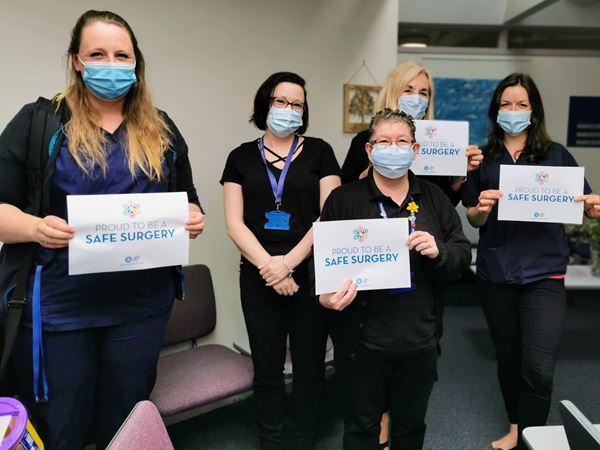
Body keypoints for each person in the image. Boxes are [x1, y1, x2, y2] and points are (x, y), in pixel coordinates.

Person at [0, 10, 204, 449]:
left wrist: (193, 218)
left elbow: (188, 200)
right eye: (97, 54)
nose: (110, 65)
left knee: (126, 422)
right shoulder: (40, 123)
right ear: (77, 60)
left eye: (121, 55)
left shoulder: (162, 129)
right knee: (63, 425)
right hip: (60, 311)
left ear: (136, 63)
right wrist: (36, 228)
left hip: (139, 309)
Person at [342, 60, 482, 449]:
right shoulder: (347, 195)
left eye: (425, 93)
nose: (393, 149)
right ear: (370, 148)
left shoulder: (434, 194)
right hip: (365, 326)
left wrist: (458, 178)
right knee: (361, 424)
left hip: (420, 318)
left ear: (416, 147)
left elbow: (454, 237)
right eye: (383, 143)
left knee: (411, 424)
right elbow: (332, 242)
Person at [462, 73, 600, 450]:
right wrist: (482, 210)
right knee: (508, 357)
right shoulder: (481, 159)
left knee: (538, 365)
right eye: (506, 104)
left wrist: (592, 207)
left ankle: (531, 438)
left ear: (534, 110)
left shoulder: (556, 155)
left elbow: (585, 207)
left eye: (521, 104)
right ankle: (515, 426)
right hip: (497, 273)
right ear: (496, 110)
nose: (514, 110)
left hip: (545, 273)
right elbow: (473, 216)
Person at [221, 72, 342, 449]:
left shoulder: (321, 152)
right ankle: (271, 439)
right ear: (265, 104)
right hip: (258, 275)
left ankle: (303, 438)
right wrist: (271, 268)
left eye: (297, 104)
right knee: (267, 368)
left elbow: (329, 216)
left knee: (309, 367)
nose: (288, 110)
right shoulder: (240, 157)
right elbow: (234, 224)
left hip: (308, 272)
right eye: (280, 101)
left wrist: (288, 263)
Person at [341, 60, 483, 202]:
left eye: (423, 93)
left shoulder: (437, 141)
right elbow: (345, 199)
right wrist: (368, 175)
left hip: (426, 222)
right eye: (408, 90)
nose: (416, 99)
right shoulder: (364, 141)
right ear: (392, 93)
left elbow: (446, 202)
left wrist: (459, 174)